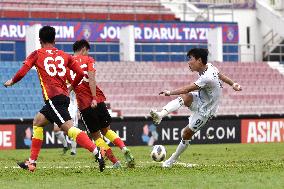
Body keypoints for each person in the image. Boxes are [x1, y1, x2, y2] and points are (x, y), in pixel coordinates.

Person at [3, 26, 105, 172]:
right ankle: (32, 163)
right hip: (61, 97)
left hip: (54, 98)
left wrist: (11, 81)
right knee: (38, 121)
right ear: (54, 39)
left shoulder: (37, 54)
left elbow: (22, 72)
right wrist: (70, 88)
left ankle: (97, 152)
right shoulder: (65, 55)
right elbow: (81, 74)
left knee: (69, 129)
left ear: (40, 40)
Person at [150, 48, 242, 168]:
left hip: (206, 111)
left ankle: (172, 160)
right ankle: (160, 115)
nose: (189, 62)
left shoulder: (206, 77)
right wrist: (233, 83)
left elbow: (186, 88)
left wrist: (169, 92)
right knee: (186, 97)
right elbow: (220, 75)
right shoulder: (209, 66)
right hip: (200, 100)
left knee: (186, 133)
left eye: (191, 59)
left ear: (199, 60)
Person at [68, 39, 135, 168]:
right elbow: (92, 78)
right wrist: (94, 97)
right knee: (107, 130)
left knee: (96, 136)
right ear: (83, 49)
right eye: (87, 51)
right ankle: (123, 148)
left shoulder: (68, 63)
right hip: (98, 99)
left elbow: (68, 85)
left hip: (84, 104)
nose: (87, 54)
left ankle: (115, 162)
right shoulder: (88, 60)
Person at [54, 89, 78, 155]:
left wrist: (78, 109)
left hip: (72, 109)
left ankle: (73, 150)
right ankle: (65, 145)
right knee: (56, 129)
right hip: (60, 108)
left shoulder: (73, 80)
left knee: (72, 130)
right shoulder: (58, 81)